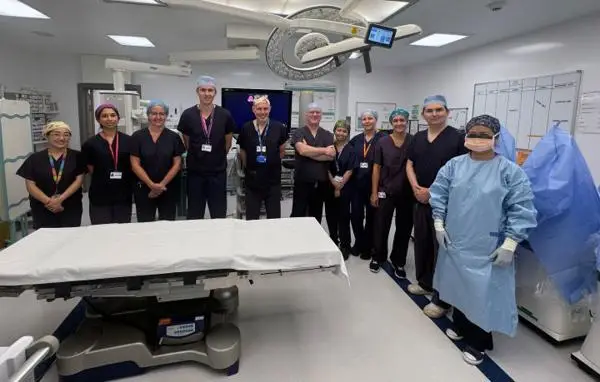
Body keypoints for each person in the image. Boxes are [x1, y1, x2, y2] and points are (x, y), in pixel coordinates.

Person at [429, 114, 537, 365]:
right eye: (473, 134)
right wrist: (438, 224)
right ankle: (462, 327)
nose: (478, 139)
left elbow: (522, 209)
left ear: (496, 138)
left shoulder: (510, 172)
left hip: (488, 246)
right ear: (465, 136)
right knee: (457, 287)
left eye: (484, 135)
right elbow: (439, 194)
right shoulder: (454, 166)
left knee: (482, 294)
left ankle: (479, 343)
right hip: (456, 241)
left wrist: (510, 243)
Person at [406, 95, 468, 318]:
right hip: (419, 199)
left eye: (438, 110)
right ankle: (425, 282)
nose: (434, 114)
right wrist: (415, 188)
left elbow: (461, 172)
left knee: (443, 251)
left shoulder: (458, 138)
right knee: (422, 242)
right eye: (429, 111)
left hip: (445, 204)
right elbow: (409, 163)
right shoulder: (418, 138)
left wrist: (431, 192)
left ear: (447, 112)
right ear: (423, 114)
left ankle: (442, 300)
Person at [177, 75, 236, 219]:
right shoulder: (188, 115)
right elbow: (187, 142)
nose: (207, 94)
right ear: (197, 92)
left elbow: (227, 143)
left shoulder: (225, 115)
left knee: (218, 213)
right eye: (203, 90)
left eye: (210, 90)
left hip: (217, 173)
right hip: (195, 174)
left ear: (215, 93)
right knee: (194, 213)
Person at [369, 108, 414, 275]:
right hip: (385, 191)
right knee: (381, 225)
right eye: (396, 120)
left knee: (404, 228)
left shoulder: (414, 141)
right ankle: (377, 257)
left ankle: (398, 261)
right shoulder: (382, 142)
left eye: (402, 120)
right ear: (391, 123)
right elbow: (376, 168)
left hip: (406, 193)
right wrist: (374, 192)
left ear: (407, 122)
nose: (399, 123)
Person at [17, 121, 85, 229]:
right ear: (47, 136)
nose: (62, 138)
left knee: (71, 238)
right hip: (42, 207)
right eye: (56, 134)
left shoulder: (77, 156)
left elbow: (79, 180)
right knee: (45, 239)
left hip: (70, 206)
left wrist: (60, 199)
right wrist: (49, 202)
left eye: (66, 135)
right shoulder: (34, 159)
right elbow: (30, 185)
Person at [130, 100, 185, 222]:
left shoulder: (174, 137)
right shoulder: (137, 137)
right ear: (148, 115)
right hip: (144, 188)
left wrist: (161, 185)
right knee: (145, 224)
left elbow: (177, 164)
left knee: (167, 223)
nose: (158, 117)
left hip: (168, 188)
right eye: (154, 113)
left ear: (166, 116)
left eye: (162, 114)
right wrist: (151, 185)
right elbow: (134, 165)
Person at [237, 95, 288, 219]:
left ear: (270, 109)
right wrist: (250, 166)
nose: (262, 112)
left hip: (273, 181)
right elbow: (243, 151)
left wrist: (271, 163)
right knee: (252, 217)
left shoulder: (279, 128)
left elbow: (282, 151)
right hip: (253, 181)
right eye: (259, 109)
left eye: (265, 109)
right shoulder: (246, 128)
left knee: (274, 218)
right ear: (253, 110)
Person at [82, 104, 134, 224]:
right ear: (98, 119)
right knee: (101, 229)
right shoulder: (90, 144)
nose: (109, 119)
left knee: (122, 229)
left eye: (112, 115)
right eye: (104, 116)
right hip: (100, 193)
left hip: (123, 192)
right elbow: (90, 168)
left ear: (118, 118)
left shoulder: (129, 141)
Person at [349, 110, 385, 260]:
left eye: (370, 118)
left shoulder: (383, 139)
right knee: (356, 216)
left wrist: (376, 191)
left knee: (372, 218)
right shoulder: (356, 140)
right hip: (357, 185)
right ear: (361, 121)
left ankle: (368, 246)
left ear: (376, 120)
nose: (367, 121)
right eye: (364, 119)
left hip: (374, 186)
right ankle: (359, 242)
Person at [290, 103, 335, 222]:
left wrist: (308, 151)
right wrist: (324, 150)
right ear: (306, 115)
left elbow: (331, 157)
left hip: (320, 183)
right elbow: (302, 150)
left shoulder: (328, 135)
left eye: (317, 112)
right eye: (311, 112)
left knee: (316, 216)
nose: (314, 114)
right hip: (302, 182)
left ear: (321, 115)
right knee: (297, 214)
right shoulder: (299, 132)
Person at [325, 120, 356, 259]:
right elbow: (326, 168)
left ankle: (345, 245)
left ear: (348, 133)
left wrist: (340, 185)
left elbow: (350, 169)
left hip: (346, 187)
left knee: (344, 216)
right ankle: (333, 241)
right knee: (331, 216)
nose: (341, 133)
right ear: (334, 131)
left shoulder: (351, 149)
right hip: (329, 186)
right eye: (339, 130)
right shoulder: (329, 148)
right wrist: (333, 183)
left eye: (344, 131)